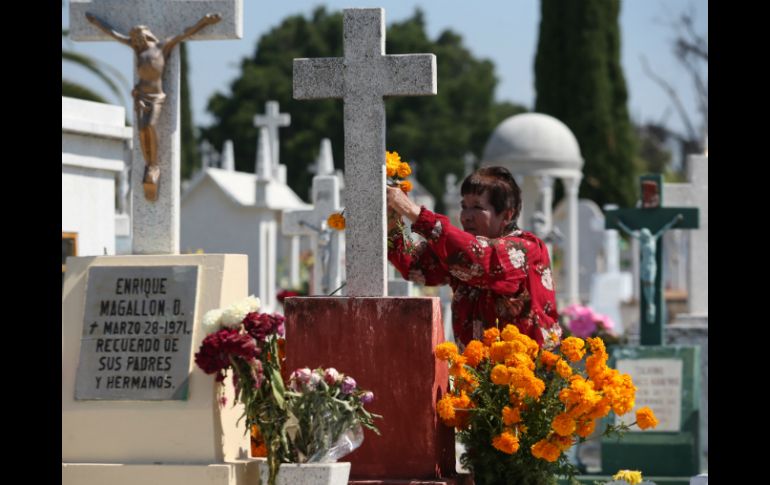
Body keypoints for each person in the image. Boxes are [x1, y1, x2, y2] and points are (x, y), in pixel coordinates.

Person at [386, 166, 561, 349]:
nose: (466, 217)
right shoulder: (460, 253)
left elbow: (481, 260)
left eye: (477, 207)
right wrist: (392, 220)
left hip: (526, 365)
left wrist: (412, 210)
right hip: (478, 365)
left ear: (506, 215)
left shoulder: (525, 248)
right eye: (464, 207)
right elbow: (415, 265)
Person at [85, 12, 222, 201]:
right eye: (135, 39)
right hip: (141, 96)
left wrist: (205, 21)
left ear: (146, 36)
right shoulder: (137, 50)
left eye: (139, 37)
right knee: (142, 131)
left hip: (156, 97)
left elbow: (185, 33)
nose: (136, 41)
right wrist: (96, 23)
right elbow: (114, 34)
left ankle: (154, 164)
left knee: (150, 126)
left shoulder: (162, 47)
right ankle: (149, 164)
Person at [616, 214, 683, 324]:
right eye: (643, 235)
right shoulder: (642, 241)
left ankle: (651, 304)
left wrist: (675, 220)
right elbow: (630, 232)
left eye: (645, 235)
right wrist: (620, 224)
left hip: (651, 265)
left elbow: (665, 228)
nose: (644, 236)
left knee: (650, 284)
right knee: (645, 285)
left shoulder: (653, 239)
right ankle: (649, 304)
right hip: (644, 265)